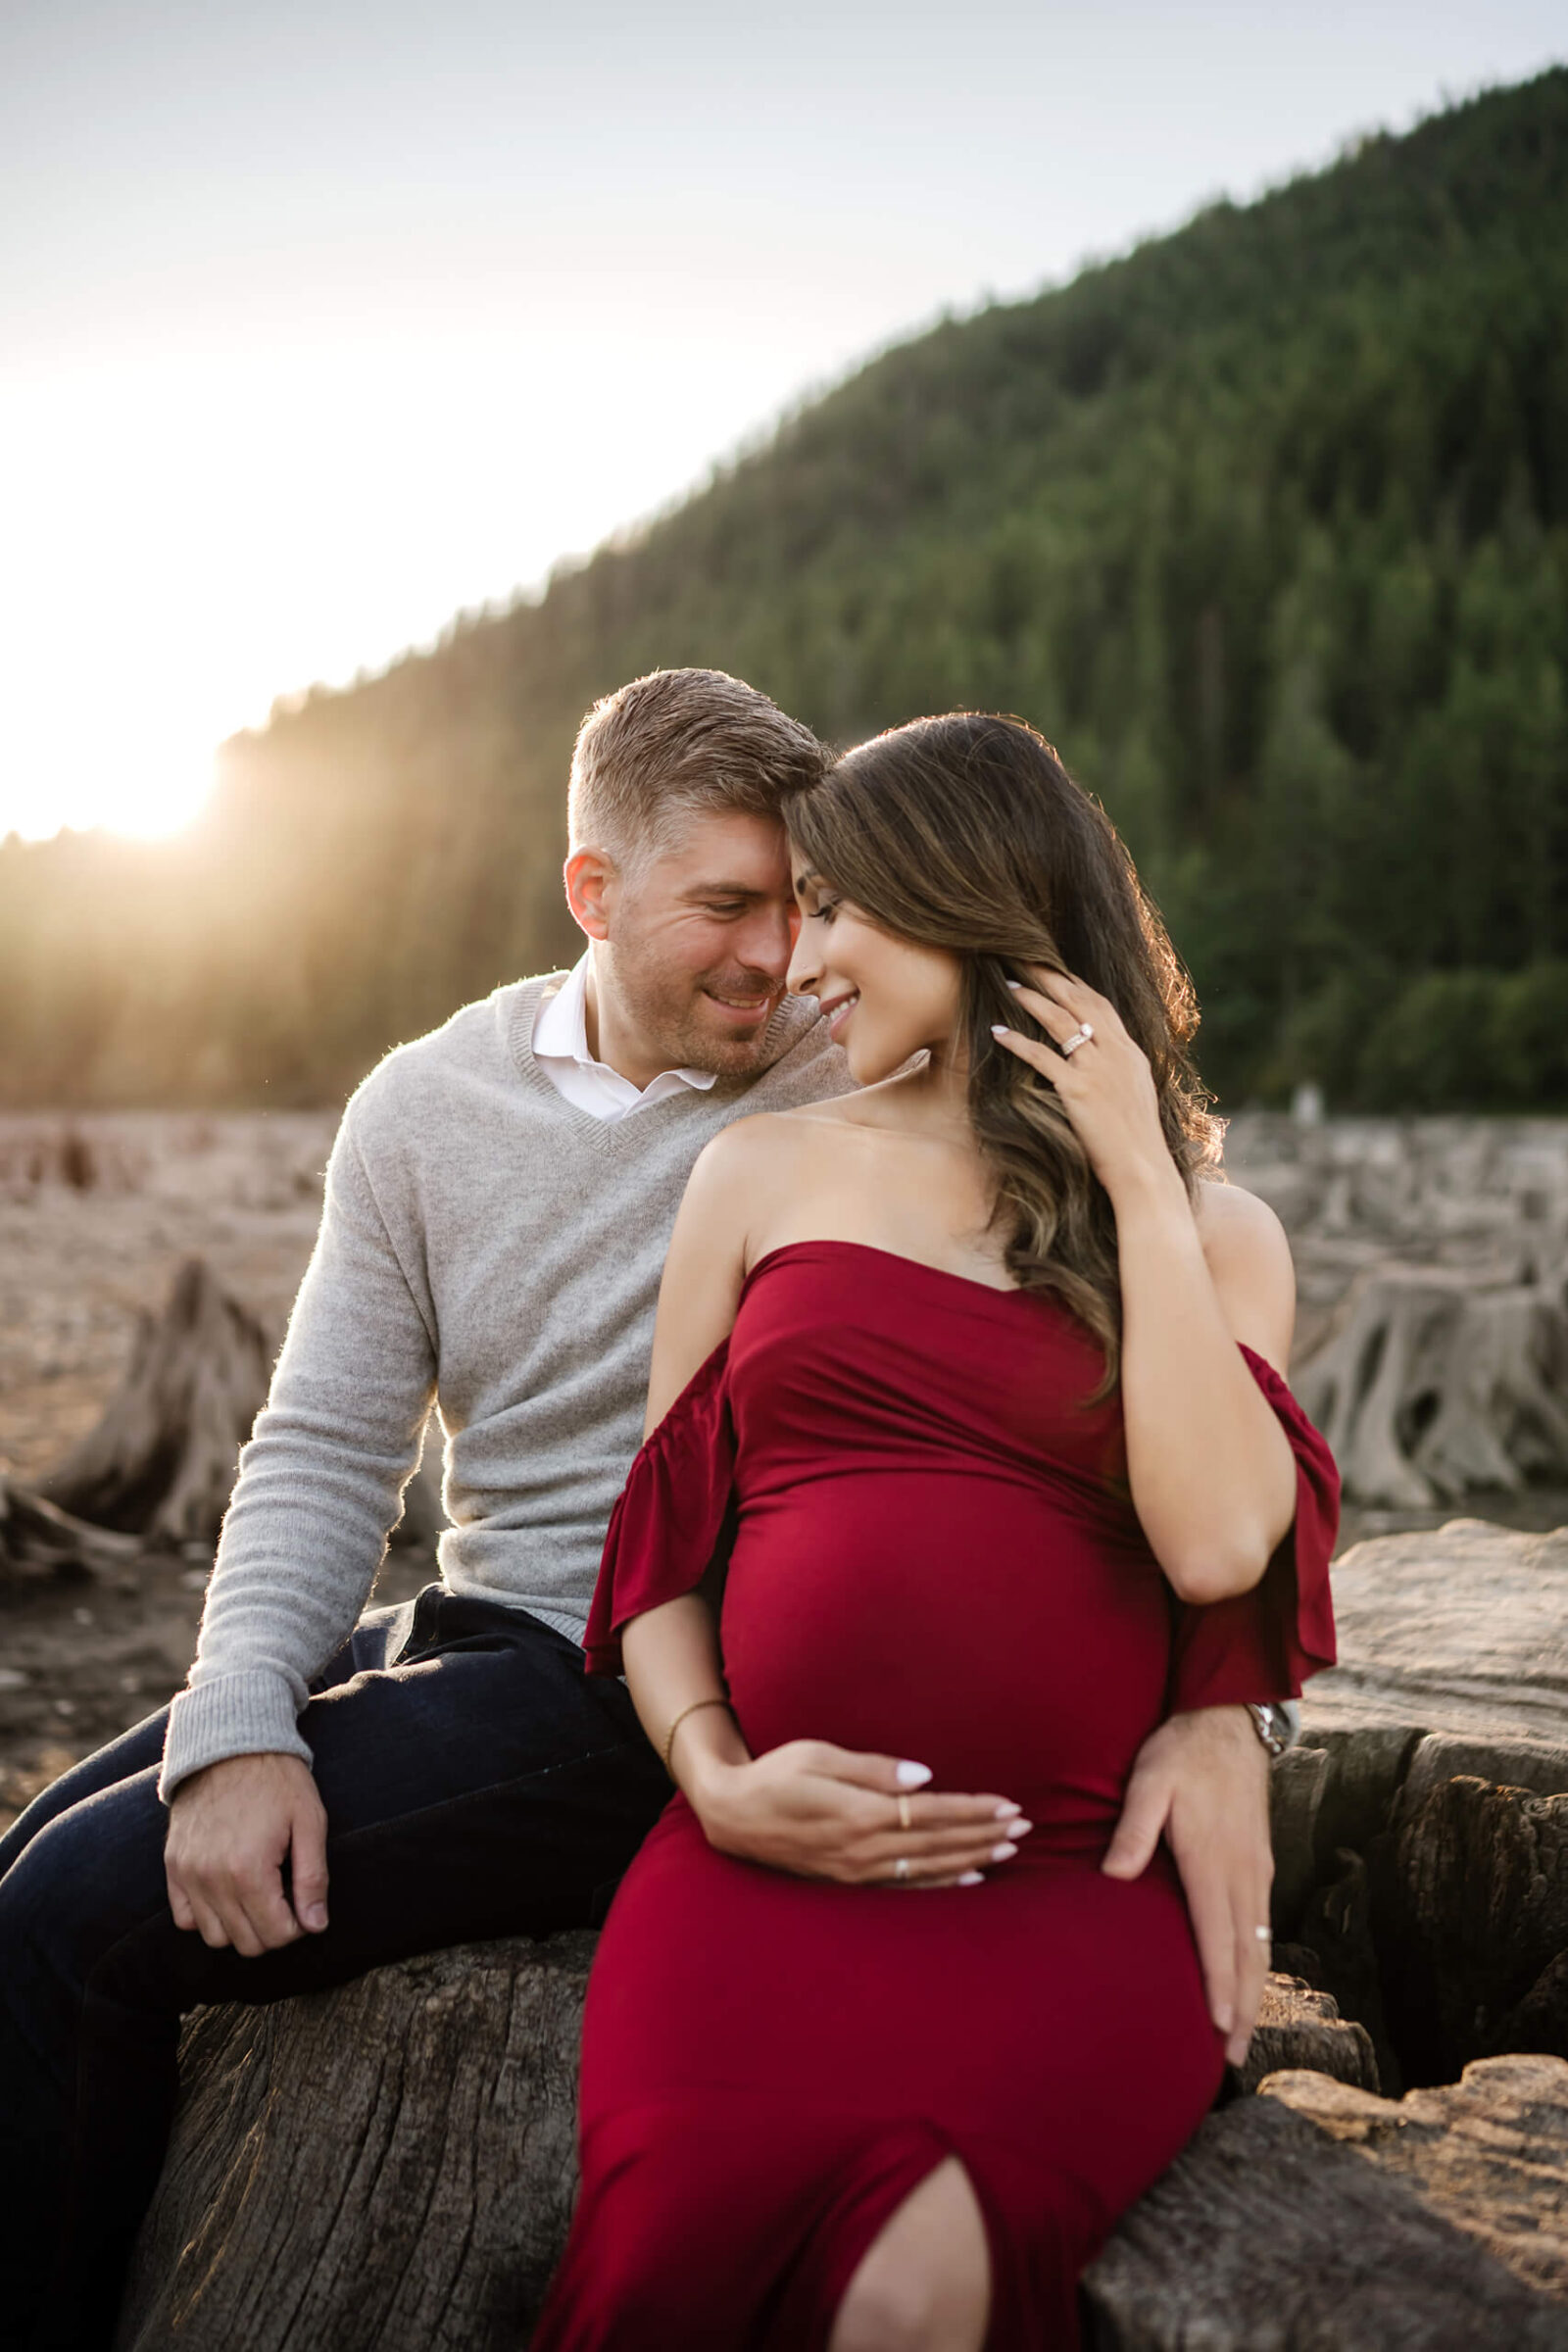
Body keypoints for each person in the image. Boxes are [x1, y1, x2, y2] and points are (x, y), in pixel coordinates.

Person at [0, 673, 1308, 2352]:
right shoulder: (425, 1109)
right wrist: (244, 1715)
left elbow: (1186, 1411)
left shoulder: (859, 1057)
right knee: (37, 1861)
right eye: (735, 906)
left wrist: (1231, 1710)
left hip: (624, 1688)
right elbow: (327, 1446)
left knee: (68, 1926)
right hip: (495, 1628)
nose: (786, 960)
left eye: (814, 905)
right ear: (593, 894)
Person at [531, 712, 1338, 2352]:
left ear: (968, 897)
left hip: (1064, 1882)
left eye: (838, 906)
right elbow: (659, 1561)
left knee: (914, 2300)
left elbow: (1214, 1546)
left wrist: (1132, 1170)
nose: (803, 957)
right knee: (665, 2267)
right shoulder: (760, 1174)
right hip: (761, 1870)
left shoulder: (1212, 1234)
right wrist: (717, 1778)